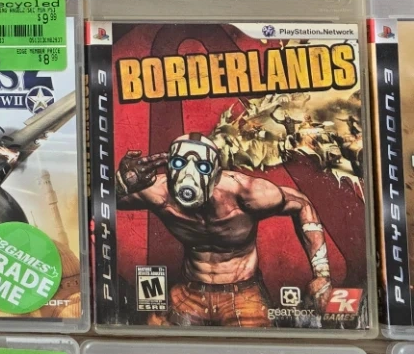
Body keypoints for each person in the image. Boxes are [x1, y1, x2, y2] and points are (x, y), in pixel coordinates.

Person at [116, 131, 334, 327]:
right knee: (154, 339)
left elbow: (302, 204)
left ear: (217, 173)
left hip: (243, 294)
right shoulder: (158, 192)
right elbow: (103, 202)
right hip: (190, 292)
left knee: (255, 350)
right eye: (179, 163)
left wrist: (321, 274)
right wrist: (120, 184)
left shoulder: (248, 193)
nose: (189, 176)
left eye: (202, 167)